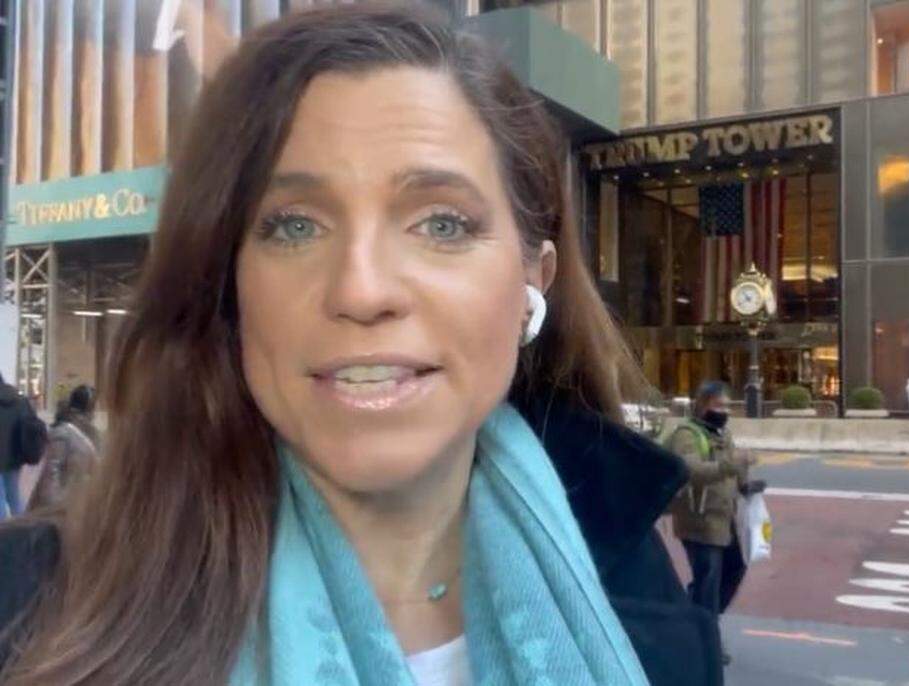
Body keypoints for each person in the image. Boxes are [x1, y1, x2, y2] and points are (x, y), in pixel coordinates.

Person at [0, 5, 720, 685]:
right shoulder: (29, 603)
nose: (361, 289)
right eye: (293, 225)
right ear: (227, 283)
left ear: (533, 281)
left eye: (441, 224)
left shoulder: (641, 587)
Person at [667, 381, 753, 667]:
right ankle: (705, 642)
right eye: (718, 405)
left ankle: (696, 618)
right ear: (703, 405)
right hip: (698, 520)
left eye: (728, 406)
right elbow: (691, 471)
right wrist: (732, 465)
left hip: (723, 518)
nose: (724, 411)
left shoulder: (723, 434)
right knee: (708, 580)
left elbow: (733, 468)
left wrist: (746, 484)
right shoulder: (687, 434)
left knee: (734, 569)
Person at [27, 386, 100, 512]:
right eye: (95, 405)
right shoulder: (63, 432)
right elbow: (51, 471)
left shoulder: (91, 432)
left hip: (81, 502)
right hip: (61, 505)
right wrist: (53, 507)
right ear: (88, 406)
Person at [0, 374, 44, 519]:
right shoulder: (20, 399)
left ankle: (4, 536)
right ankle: (23, 527)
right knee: (14, 496)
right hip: (15, 457)